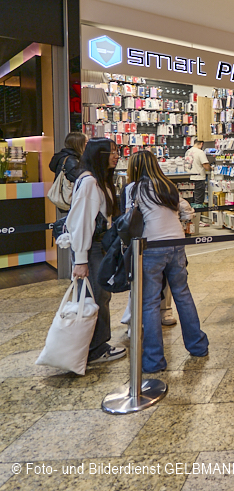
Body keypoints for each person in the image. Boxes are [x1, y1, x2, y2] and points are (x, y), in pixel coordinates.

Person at [124, 151, 207, 372]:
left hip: (151, 246)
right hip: (177, 242)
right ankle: (198, 346)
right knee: (182, 293)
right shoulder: (167, 185)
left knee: (150, 302)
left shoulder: (133, 189)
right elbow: (186, 208)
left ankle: (154, 360)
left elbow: (127, 219)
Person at [65, 137, 126, 364]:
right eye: (111, 151)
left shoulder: (99, 181)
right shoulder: (90, 182)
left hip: (98, 247)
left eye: (116, 150)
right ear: (98, 154)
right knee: (95, 297)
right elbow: (82, 223)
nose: (116, 155)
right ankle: (95, 349)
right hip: (91, 249)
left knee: (100, 296)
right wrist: (80, 259)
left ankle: (96, 345)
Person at [49, 132, 86, 197]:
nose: (87, 145)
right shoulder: (71, 160)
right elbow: (80, 178)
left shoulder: (64, 156)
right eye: (85, 142)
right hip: (70, 197)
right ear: (78, 144)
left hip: (64, 195)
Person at [184, 139, 210, 205]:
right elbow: (206, 166)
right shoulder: (200, 152)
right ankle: (197, 214)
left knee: (191, 199)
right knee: (199, 201)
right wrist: (211, 168)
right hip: (199, 178)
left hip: (190, 178)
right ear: (201, 144)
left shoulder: (188, 151)